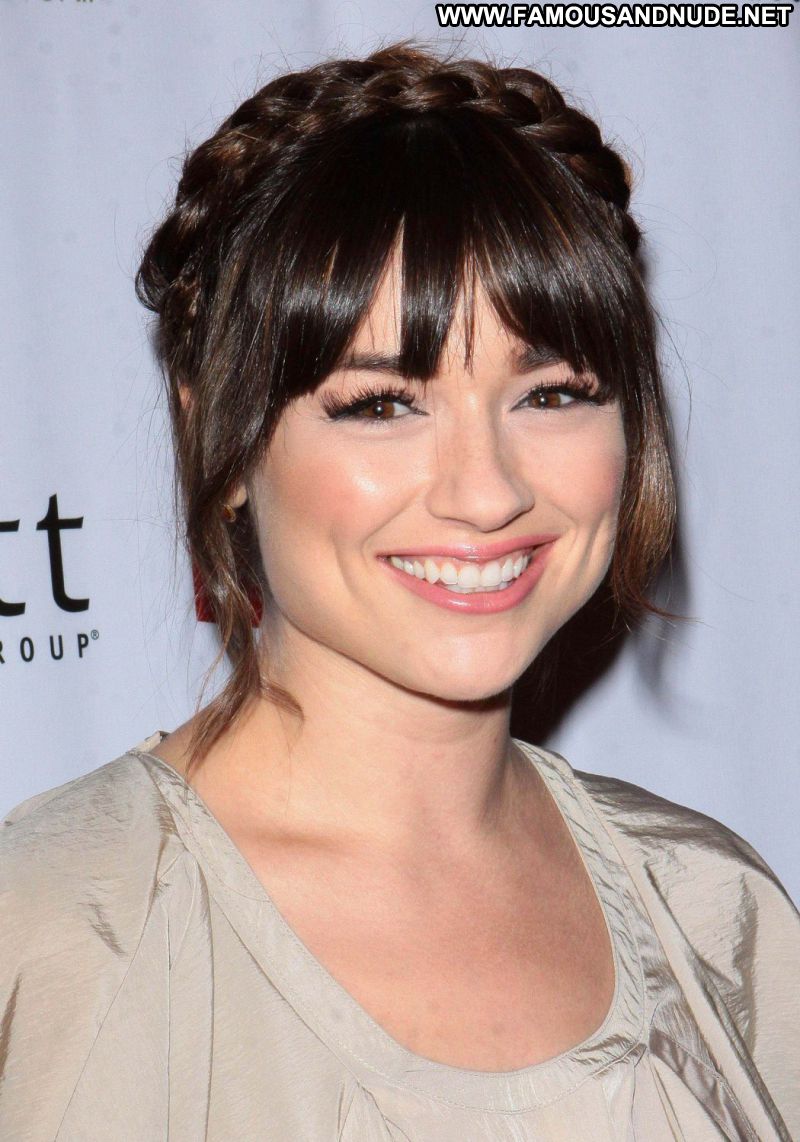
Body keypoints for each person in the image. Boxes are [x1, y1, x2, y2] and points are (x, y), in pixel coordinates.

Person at [1, 41, 797, 1142]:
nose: (487, 492)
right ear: (219, 439)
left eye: (552, 393)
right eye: (380, 404)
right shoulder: (52, 930)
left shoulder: (716, 913)